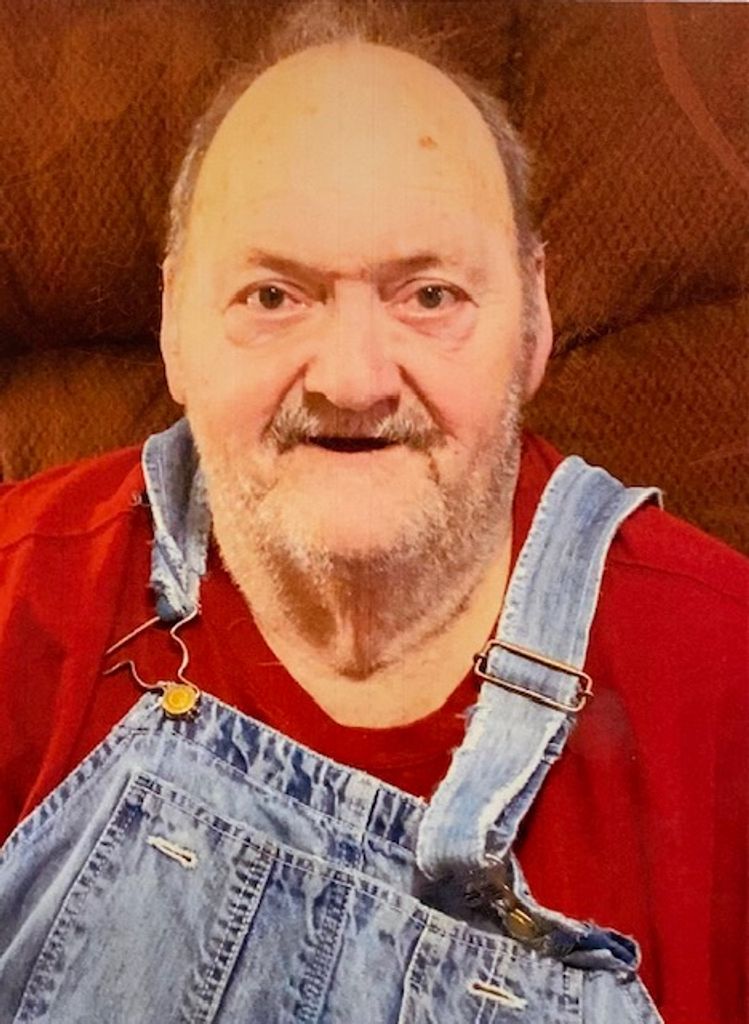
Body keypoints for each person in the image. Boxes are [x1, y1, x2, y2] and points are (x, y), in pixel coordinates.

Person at [0, 4, 745, 1023]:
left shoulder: (723, 674)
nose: (352, 381)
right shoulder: (17, 592)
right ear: (174, 324)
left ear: (533, 320)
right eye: (273, 296)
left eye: (428, 296)